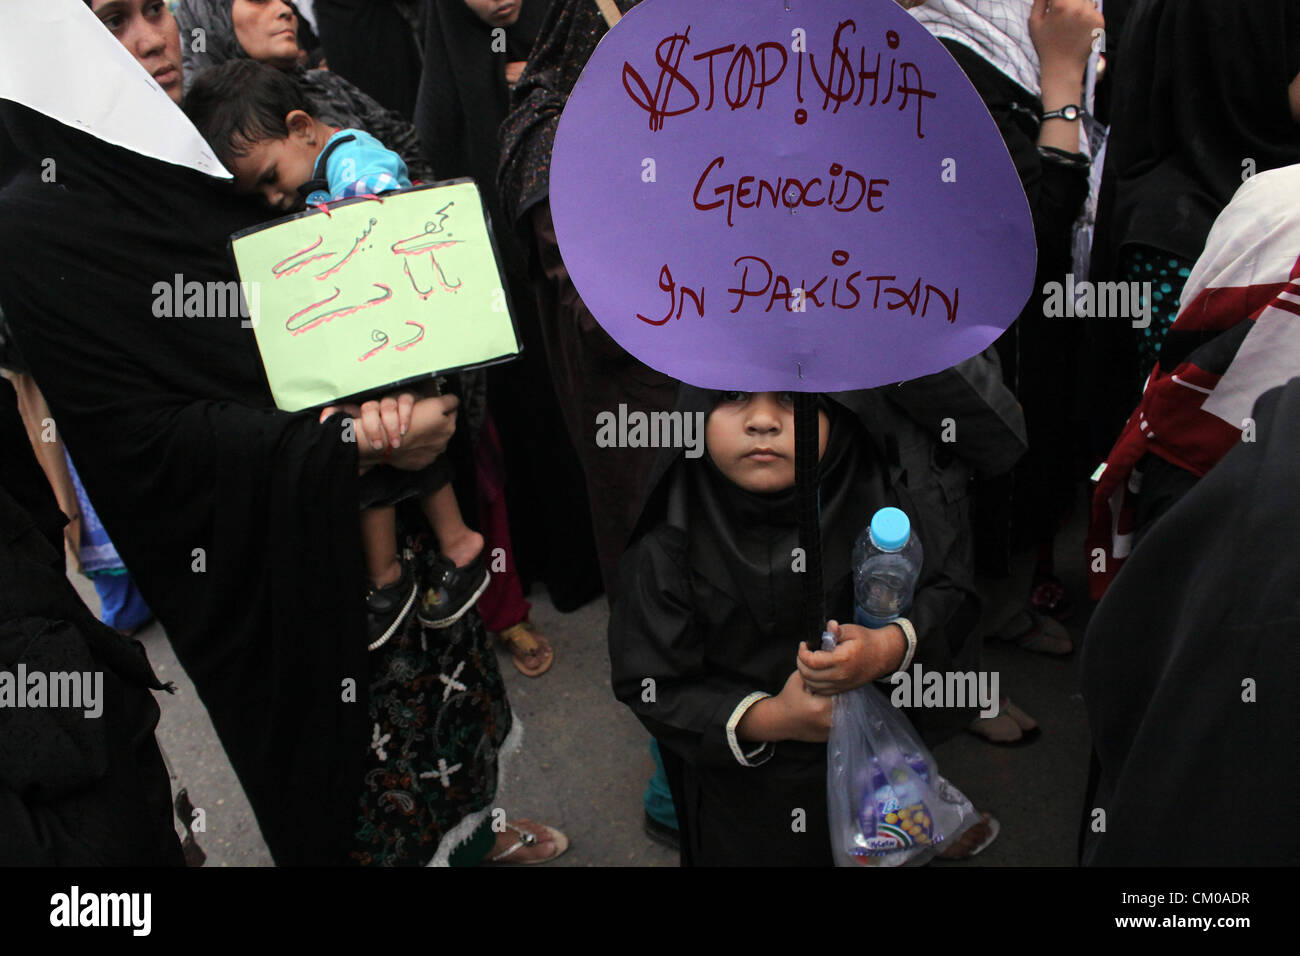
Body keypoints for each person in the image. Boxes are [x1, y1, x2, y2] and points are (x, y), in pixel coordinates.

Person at [0, 0, 566, 865]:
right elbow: (145, 446)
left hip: (416, 511)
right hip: (295, 571)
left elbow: (428, 230)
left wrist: (434, 399)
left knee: (455, 713)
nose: (151, 40)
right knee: (365, 780)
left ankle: (478, 836)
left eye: (154, 8)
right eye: (114, 22)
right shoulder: (47, 225)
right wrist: (354, 446)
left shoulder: (264, 105)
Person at [609, 389, 997, 865]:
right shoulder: (666, 544)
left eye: (794, 400)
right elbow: (651, 685)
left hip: (876, 774)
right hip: (746, 796)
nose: (763, 420)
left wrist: (887, 647)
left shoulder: (881, 506)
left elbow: (950, 591)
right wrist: (773, 718)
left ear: (840, 411)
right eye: (732, 397)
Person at [184, 59, 489, 646]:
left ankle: (421, 562)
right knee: (388, 455)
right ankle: (404, 571)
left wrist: (340, 225)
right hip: (379, 344)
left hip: (397, 337)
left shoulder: (350, 159)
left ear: (302, 127)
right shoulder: (321, 171)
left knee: (401, 451)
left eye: (273, 176)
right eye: (264, 193)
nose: (277, 198)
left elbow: (383, 211)